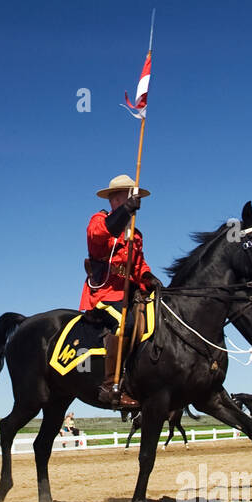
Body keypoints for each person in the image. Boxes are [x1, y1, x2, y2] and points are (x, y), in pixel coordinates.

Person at [82, 174, 160, 409]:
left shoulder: (135, 233)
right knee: (124, 323)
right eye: (125, 197)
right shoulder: (99, 220)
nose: (130, 200)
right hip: (106, 292)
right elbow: (99, 235)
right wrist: (126, 210)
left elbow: (138, 265)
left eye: (131, 197)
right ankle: (110, 386)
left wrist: (148, 276)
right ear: (114, 199)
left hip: (133, 291)